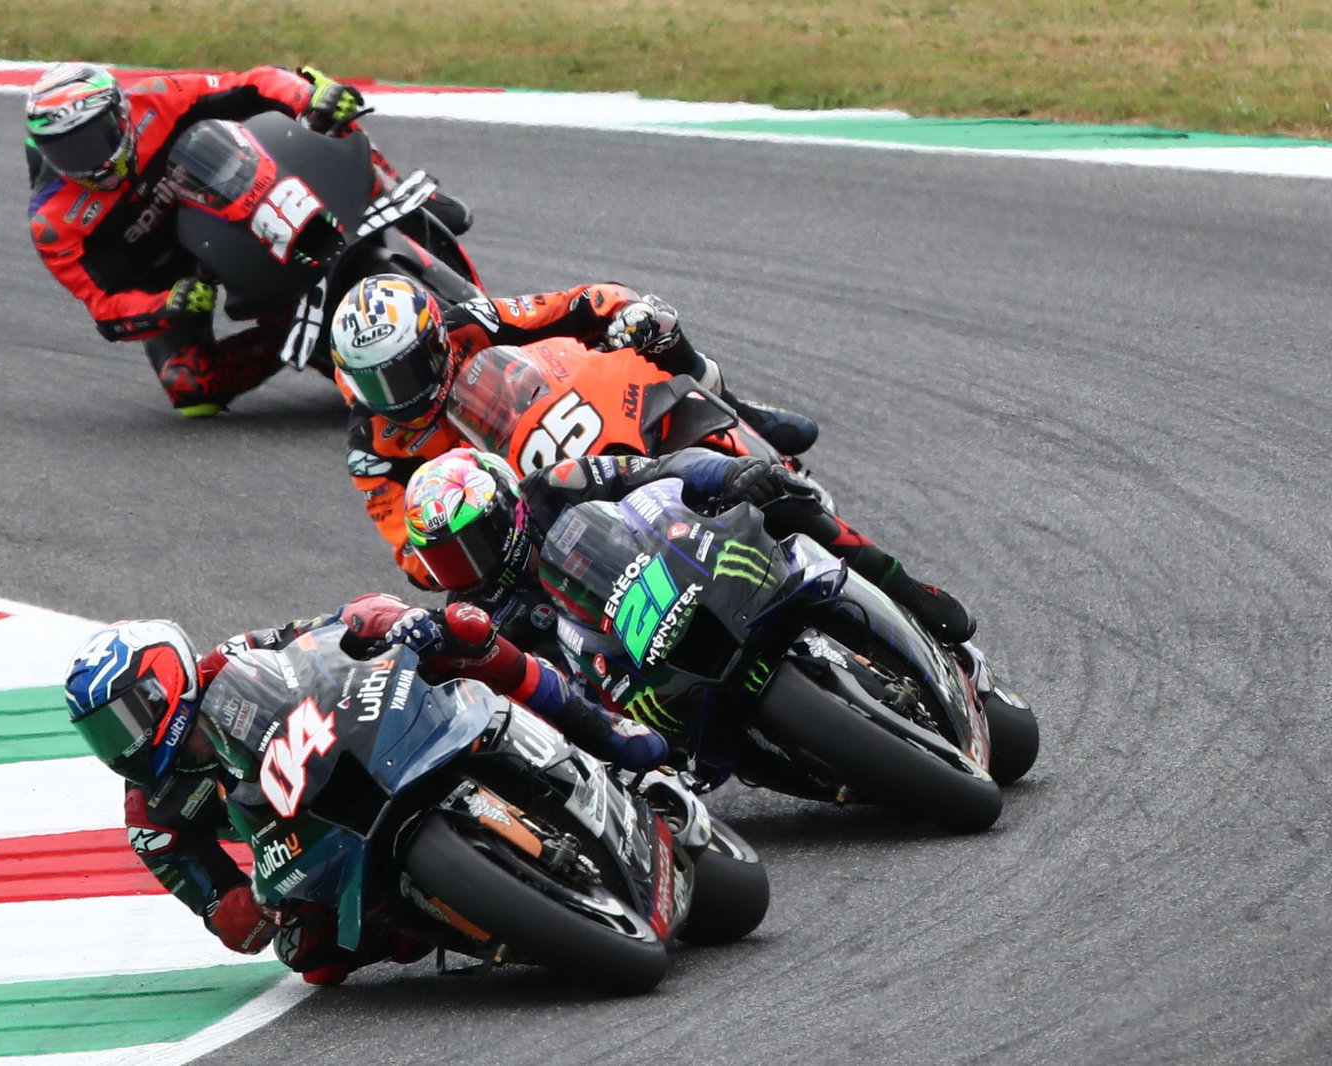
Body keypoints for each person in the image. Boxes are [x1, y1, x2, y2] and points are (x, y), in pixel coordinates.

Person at [61, 596, 665, 985]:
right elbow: (224, 916)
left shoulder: (236, 660)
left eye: (127, 717)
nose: (123, 744)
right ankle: (451, 915)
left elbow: (335, 629)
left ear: (163, 680)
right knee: (309, 957)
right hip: (306, 841)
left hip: (358, 742)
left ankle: (603, 732)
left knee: (459, 630)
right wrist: (252, 909)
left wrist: (391, 623)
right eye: (103, 734)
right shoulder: (153, 816)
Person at [26, 61, 472, 417]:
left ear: (120, 115)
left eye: (93, 139)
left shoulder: (158, 99)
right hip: (177, 273)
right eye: (65, 150)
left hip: (233, 197)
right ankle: (286, 329)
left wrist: (308, 95)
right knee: (192, 388)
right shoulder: (54, 223)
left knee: (324, 103)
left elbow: (251, 83)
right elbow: (104, 309)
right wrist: (165, 305)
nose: (89, 161)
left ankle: (394, 190)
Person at [328, 273, 820, 586]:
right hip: (516, 515)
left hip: (568, 424)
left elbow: (570, 306)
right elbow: (411, 553)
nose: (400, 393)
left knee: (656, 328)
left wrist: (623, 313)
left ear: (436, 337)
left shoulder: (471, 324)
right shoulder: (371, 449)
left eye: (409, 369)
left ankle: (742, 416)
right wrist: (461, 526)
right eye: (379, 382)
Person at [399, 448, 977, 674]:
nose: (467, 567)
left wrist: (728, 474)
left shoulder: (555, 487)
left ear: (506, 506)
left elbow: (653, 468)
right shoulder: (478, 616)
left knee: (784, 499)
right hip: (640, 682)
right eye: (448, 560)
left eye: (472, 542)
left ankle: (907, 591)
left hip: (689, 568)